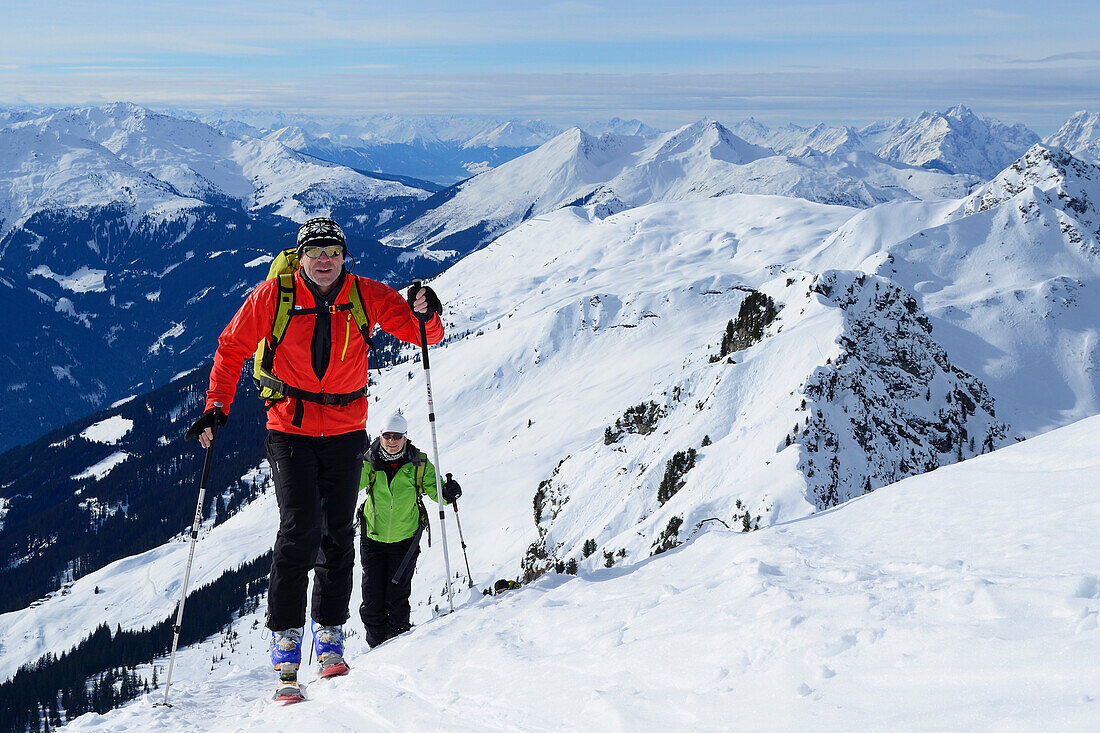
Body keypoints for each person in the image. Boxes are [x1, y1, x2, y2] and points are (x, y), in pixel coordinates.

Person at [184, 217, 444, 683]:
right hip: (290, 429)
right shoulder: (275, 296)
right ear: (300, 257)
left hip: (347, 433)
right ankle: (286, 640)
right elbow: (231, 346)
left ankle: (329, 637)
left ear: (345, 257)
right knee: (299, 528)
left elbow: (426, 335)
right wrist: (215, 406)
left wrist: (427, 311)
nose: (324, 260)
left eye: (333, 251)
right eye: (314, 251)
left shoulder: (367, 295)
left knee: (339, 534)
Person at [358, 411, 462, 647]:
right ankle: (376, 647)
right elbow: (355, 483)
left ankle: (398, 645)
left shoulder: (419, 463)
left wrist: (448, 493)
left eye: (397, 436)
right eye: (387, 436)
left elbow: (436, 490)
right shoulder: (369, 460)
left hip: (405, 540)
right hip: (373, 537)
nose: (392, 441)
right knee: (372, 599)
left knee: (397, 597)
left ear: (405, 437)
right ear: (380, 436)